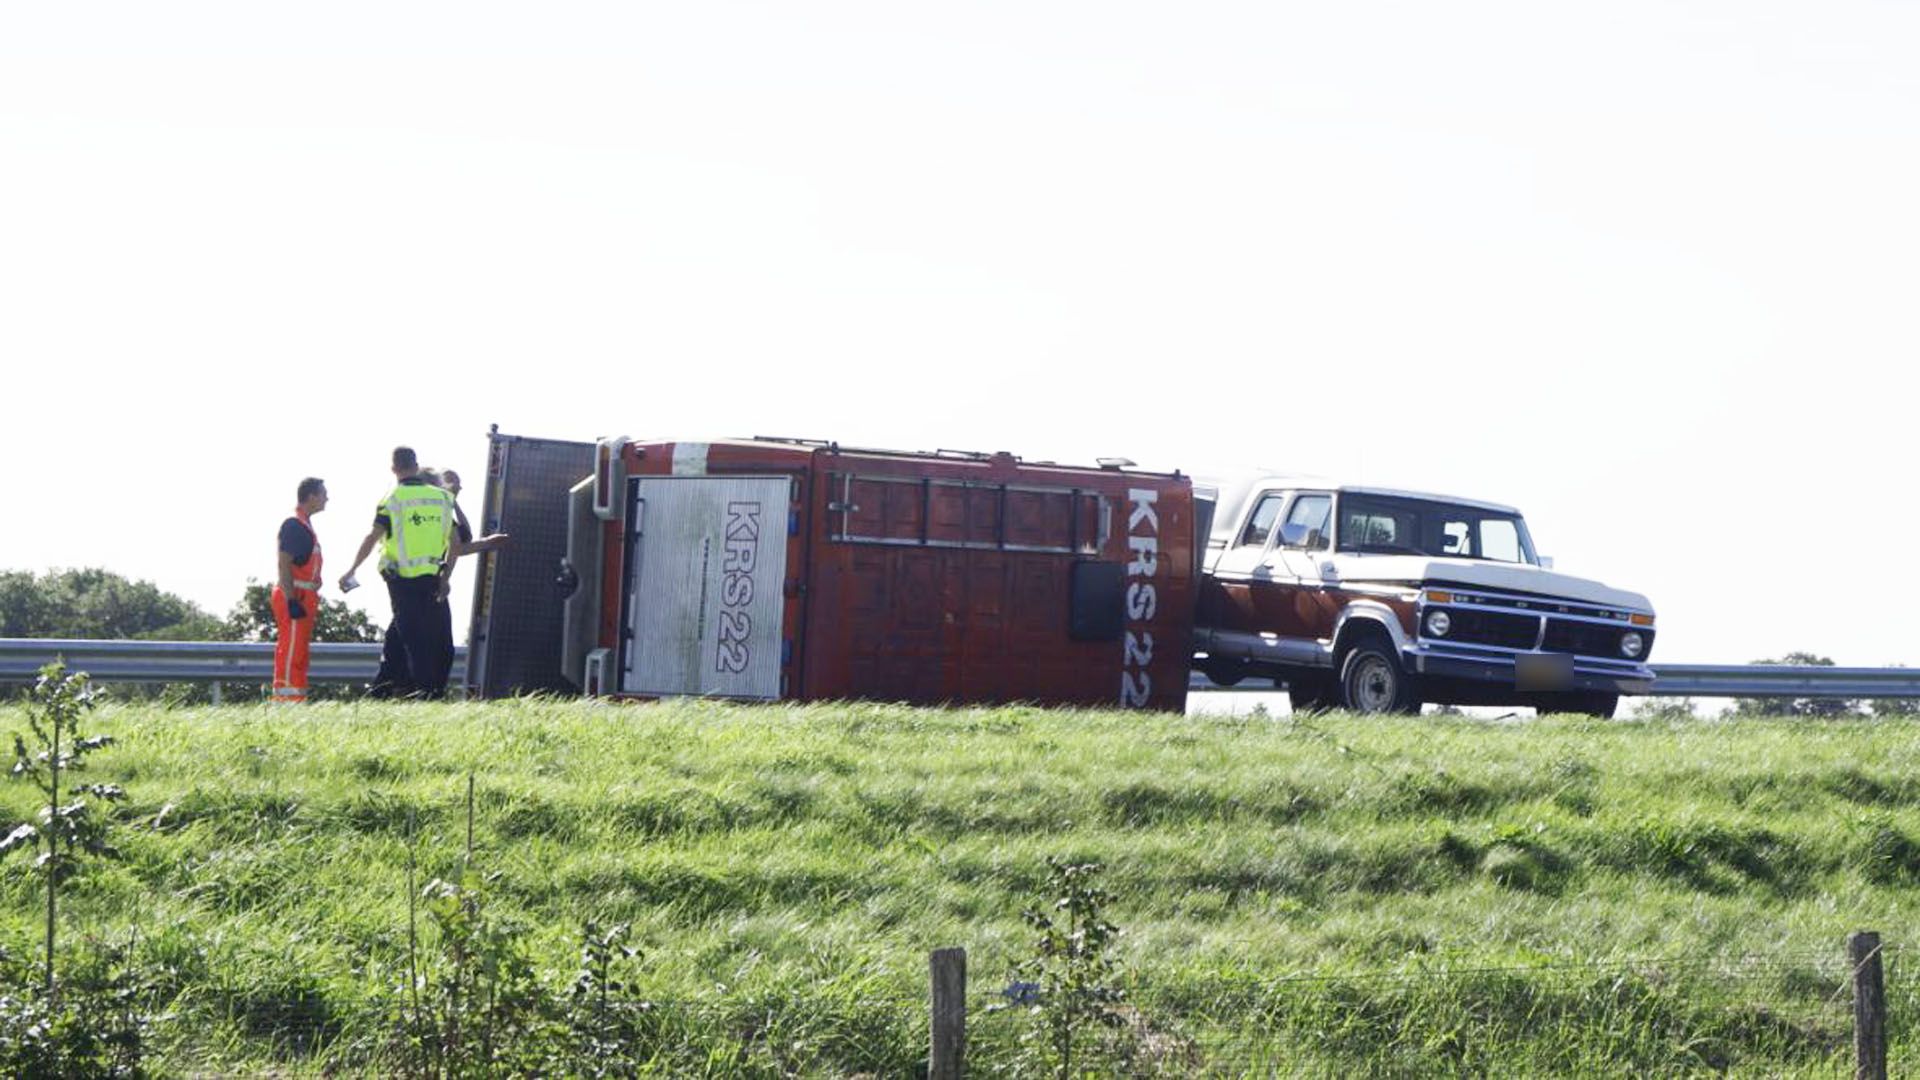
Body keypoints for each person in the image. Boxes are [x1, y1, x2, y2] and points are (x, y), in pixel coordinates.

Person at [338, 447, 458, 699]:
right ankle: (386, 689)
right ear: (416, 466)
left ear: (394, 469)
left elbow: (373, 537)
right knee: (422, 633)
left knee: (411, 635)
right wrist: (446, 577)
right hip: (432, 576)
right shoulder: (443, 498)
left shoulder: (392, 499)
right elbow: (455, 542)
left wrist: (352, 569)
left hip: (400, 579)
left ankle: (424, 692)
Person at [272, 477, 329, 703]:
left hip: (303, 595)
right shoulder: (294, 525)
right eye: (323, 493)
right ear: (312, 496)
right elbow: (283, 562)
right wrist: (291, 599)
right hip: (295, 595)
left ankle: (294, 700)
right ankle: (285, 702)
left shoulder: (303, 525)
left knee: (299, 653)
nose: (327, 498)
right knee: (291, 651)